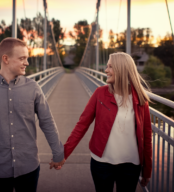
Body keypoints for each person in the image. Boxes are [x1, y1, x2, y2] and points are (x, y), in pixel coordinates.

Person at [0, 37, 64, 192]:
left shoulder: (33, 88)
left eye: (27, 58)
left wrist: (58, 153)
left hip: (29, 167)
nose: (26, 63)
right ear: (5, 59)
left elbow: (47, 121)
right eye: (22, 58)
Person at [63, 52, 152, 192]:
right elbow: (82, 125)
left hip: (131, 165)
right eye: (107, 66)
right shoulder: (100, 94)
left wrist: (147, 170)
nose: (106, 70)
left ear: (121, 69)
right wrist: (64, 153)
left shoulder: (140, 99)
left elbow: (146, 136)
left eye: (110, 67)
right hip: (102, 163)